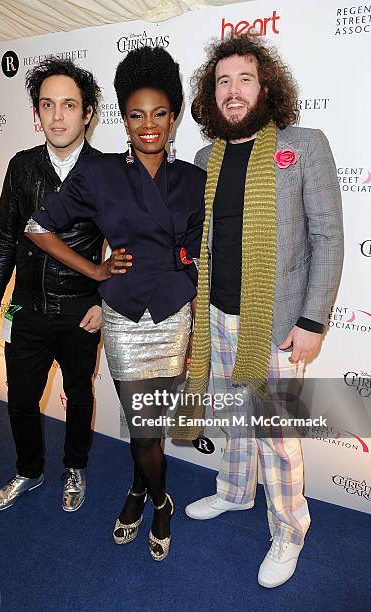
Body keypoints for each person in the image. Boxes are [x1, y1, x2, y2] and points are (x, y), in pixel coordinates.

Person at [24, 46, 206, 561]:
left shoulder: (194, 180)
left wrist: (186, 284)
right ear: (122, 119)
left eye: (159, 114)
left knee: (149, 426)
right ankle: (160, 499)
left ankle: (139, 492)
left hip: (171, 314)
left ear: (174, 116)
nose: (148, 125)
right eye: (136, 114)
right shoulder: (99, 173)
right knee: (142, 425)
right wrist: (96, 271)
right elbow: (40, 227)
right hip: (124, 318)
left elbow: (196, 249)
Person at [178, 35, 343, 587]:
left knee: (277, 436)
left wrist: (313, 321)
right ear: (211, 94)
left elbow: (326, 236)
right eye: (222, 81)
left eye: (244, 78)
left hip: (274, 323)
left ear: (265, 86)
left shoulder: (304, 144)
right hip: (218, 317)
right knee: (234, 418)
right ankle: (232, 491)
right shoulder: (206, 157)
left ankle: (290, 531)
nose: (232, 90)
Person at [0, 57, 110, 513]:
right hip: (27, 309)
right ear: (37, 112)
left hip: (81, 311)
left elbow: (131, 248)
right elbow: (4, 239)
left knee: (79, 394)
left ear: (88, 113)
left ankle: (75, 466)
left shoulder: (108, 172)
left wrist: (105, 301)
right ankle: (28, 470)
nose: (57, 116)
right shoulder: (20, 167)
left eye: (69, 105)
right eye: (47, 105)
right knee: (20, 400)